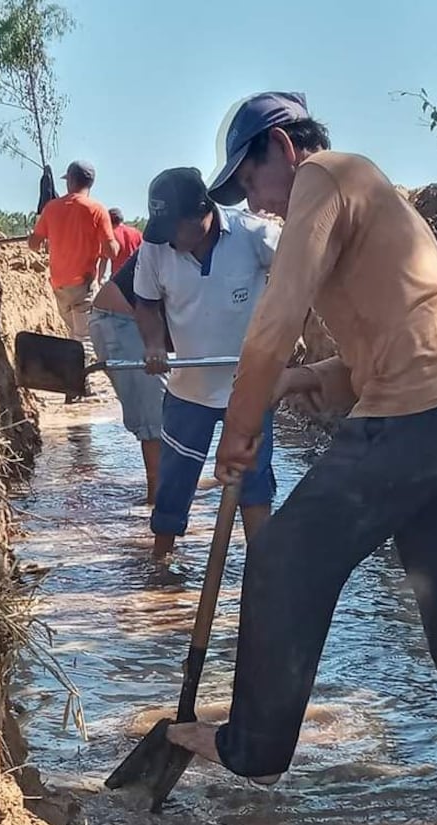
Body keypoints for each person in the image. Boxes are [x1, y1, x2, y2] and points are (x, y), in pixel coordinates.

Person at [166, 92, 437, 790]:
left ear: (282, 145)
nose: (257, 202)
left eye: (251, 181)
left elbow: (276, 316)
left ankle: (254, 746)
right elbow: (377, 355)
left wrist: (238, 428)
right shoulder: (361, 192)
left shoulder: (321, 178)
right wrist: (290, 383)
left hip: (419, 415)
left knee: (283, 557)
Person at [133, 167, 281, 557]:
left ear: (203, 214)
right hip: (188, 391)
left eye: (174, 229)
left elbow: (297, 275)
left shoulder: (254, 235)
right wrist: (153, 345)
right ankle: (160, 568)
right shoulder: (155, 248)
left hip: (248, 387)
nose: (168, 240)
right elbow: (146, 304)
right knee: (173, 485)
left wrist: (287, 329)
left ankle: (262, 570)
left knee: (253, 482)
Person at [88, 251, 165, 504]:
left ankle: (165, 495)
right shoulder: (169, 240)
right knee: (155, 417)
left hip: (141, 319)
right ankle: (157, 502)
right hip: (121, 320)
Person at [29, 160, 120, 343]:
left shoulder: (51, 208)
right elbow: (112, 252)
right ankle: (85, 370)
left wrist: (36, 236)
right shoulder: (96, 210)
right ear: (90, 183)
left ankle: (73, 369)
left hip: (59, 286)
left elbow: (34, 245)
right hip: (83, 285)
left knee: (75, 334)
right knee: (85, 339)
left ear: (70, 181)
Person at [98, 208, 143, 282]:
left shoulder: (110, 236)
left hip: (118, 279)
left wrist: (99, 280)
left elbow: (104, 260)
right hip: (136, 278)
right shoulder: (137, 233)